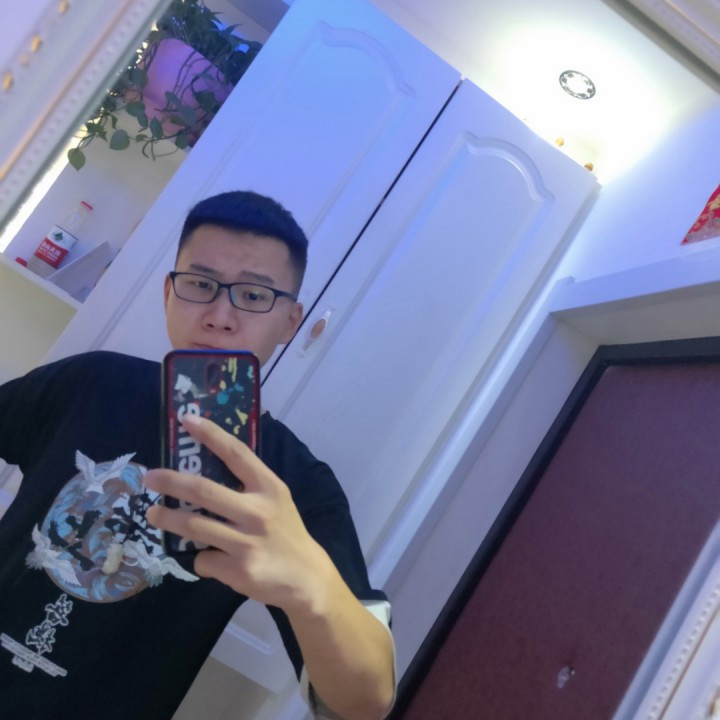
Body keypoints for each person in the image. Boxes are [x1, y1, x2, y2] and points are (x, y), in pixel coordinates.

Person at [0, 191, 395, 720]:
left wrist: (313, 587)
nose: (220, 316)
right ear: (169, 293)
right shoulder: (92, 381)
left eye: (254, 295)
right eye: (201, 285)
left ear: (290, 321)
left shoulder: (295, 484)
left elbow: (366, 703)